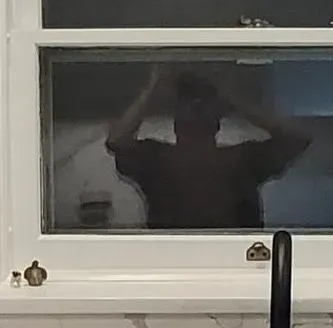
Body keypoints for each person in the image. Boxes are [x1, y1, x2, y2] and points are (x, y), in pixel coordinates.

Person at [106, 68, 311, 230]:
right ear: (176, 120)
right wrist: (151, 91)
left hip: (237, 262)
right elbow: (116, 140)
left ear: (217, 121)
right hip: (171, 262)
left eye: (204, 104)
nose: (196, 109)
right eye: (189, 104)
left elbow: (298, 138)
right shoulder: (157, 158)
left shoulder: (243, 159)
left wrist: (233, 99)